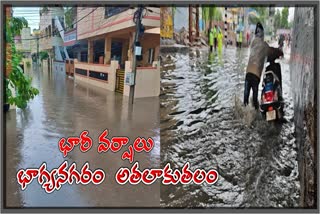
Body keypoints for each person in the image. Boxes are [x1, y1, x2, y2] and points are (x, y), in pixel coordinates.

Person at [243, 22, 283, 109]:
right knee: (254, 99)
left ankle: (245, 113)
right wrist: (280, 52)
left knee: (245, 98)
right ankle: (255, 112)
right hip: (256, 75)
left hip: (248, 73)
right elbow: (272, 51)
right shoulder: (264, 45)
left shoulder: (253, 43)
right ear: (262, 34)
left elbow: (257, 54)